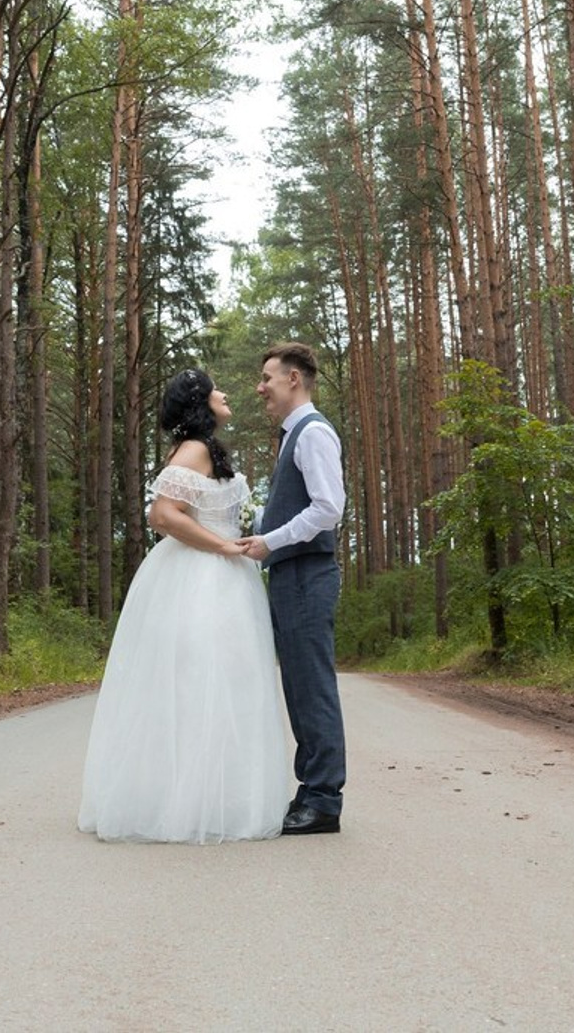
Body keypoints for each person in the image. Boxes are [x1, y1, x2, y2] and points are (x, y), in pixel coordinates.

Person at [78, 368, 288, 843]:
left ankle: (207, 795)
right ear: (199, 401)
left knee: (222, 685)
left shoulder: (204, 450)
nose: (225, 391)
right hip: (201, 580)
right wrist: (222, 547)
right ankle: (188, 803)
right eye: (216, 388)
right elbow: (162, 515)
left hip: (223, 578)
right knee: (202, 682)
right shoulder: (193, 449)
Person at [238, 341, 346, 835]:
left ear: (294, 379)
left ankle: (323, 799)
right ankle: (311, 792)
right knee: (298, 688)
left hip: (306, 573)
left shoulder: (313, 432)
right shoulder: (291, 436)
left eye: (268, 378)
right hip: (290, 573)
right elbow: (292, 508)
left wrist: (269, 541)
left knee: (312, 686)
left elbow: (328, 509)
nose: (261, 387)